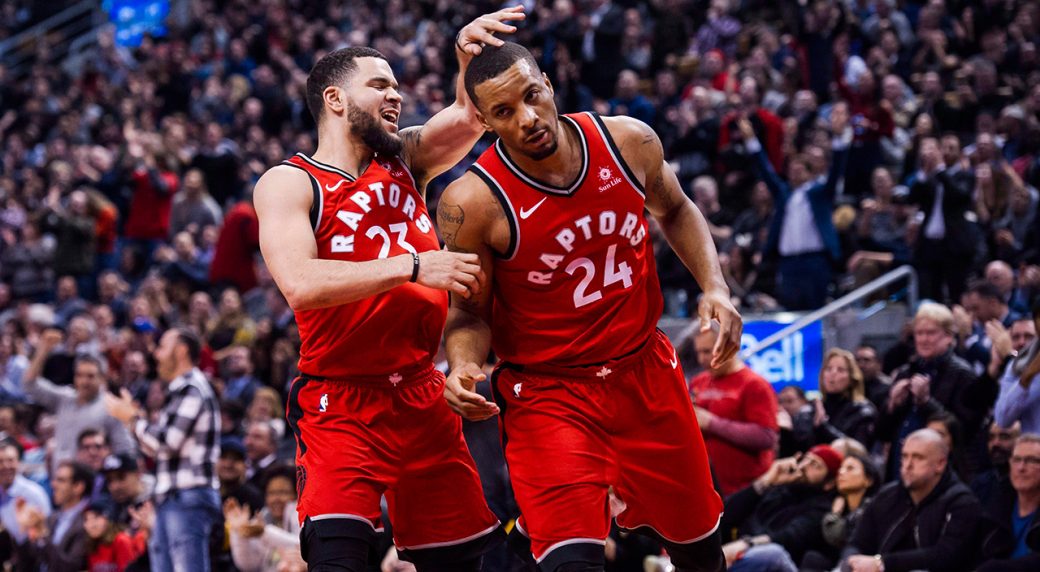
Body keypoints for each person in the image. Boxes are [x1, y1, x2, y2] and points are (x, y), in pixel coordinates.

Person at [439, 41, 741, 572]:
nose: (527, 118)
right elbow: (468, 312)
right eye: (504, 112)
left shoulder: (628, 141)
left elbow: (675, 208)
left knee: (700, 553)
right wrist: (463, 364)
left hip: (644, 371)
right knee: (570, 561)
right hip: (549, 392)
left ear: (549, 85)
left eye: (532, 96)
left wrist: (714, 286)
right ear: (484, 122)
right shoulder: (473, 202)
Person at [251, 9, 527, 571]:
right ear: (334, 99)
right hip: (341, 401)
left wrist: (466, 58)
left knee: (460, 564)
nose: (395, 95)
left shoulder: (405, 158)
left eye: (397, 86)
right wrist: (413, 267)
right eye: (379, 85)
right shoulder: (289, 182)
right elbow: (300, 283)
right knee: (339, 558)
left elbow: (469, 117)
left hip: (422, 395)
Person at [105, 328, 222, 572]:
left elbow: (166, 442)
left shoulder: (193, 389)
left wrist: (132, 419)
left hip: (188, 496)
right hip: (173, 497)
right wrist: (133, 418)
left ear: (181, 351)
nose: (155, 354)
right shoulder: (181, 391)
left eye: (162, 347)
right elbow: (155, 449)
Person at [841, 429, 981, 572]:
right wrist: (852, 562)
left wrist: (882, 563)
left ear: (940, 464)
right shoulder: (887, 495)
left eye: (918, 457)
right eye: (904, 456)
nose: (907, 465)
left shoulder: (961, 503)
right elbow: (857, 542)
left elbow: (946, 555)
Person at [22, 329, 134, 472]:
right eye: (79, 375)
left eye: (90, 376)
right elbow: (30, 385)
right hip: (60, 477)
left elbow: (124, 450)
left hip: (90, 479)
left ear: (102, 378)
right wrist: (43, 350)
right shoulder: (65, 398)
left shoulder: (111, 408)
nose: (84, 381)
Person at [689, 322, 778, 496]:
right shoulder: (698, 382)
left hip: (747, 491)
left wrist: (712, 423)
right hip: (708, 489)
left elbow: (766, 437)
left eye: (707, 351)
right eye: (698, 352)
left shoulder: (754, 385)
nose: (701, 359)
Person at [719, 445, 843, 570]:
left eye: (815, 465)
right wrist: (766, 481)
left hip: (771, 560)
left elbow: (789, 537)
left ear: (829, 484)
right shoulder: (782, 486)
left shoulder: (821, 508)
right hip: (736, 549)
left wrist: (746, 544)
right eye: (806, 459)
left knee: (772, 554)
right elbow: (725, 513)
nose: (804, 466)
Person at [14, 460, 94, 571]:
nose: (53, 484)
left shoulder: (88, 521)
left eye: (61, 480)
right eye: (55, 479)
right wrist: (27, 529)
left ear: (78, 487)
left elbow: (70, 567)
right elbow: (30, 560)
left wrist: (42, 536)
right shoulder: (53, 517)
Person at [978, 433, 1040, 571]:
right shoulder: (997, 503)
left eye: (1031, 460)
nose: (1021, 468)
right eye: (1016, 459)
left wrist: (995, 568)